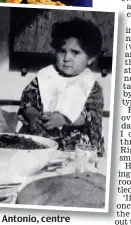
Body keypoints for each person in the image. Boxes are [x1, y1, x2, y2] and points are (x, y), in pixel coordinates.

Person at [18, 18, 105, 155]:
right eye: (62, 51)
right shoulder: (45, 77)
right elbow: (27, 101)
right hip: (41, 143)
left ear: (90, 58)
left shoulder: (91, 86)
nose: (66, 58)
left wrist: (65, 119)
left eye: (75, 53)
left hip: (75, 147)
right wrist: (33, 115)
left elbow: (91, 115)